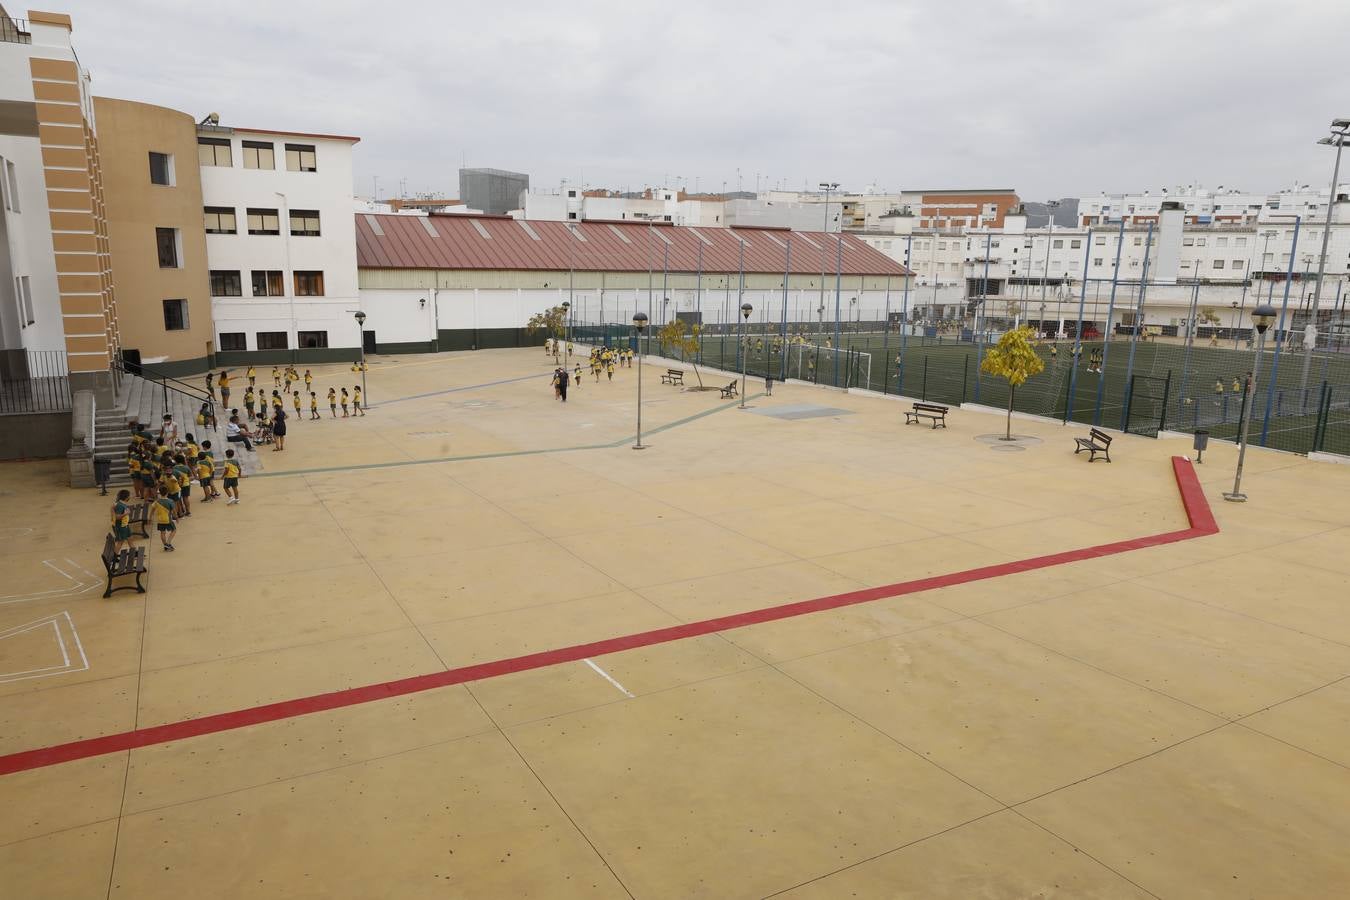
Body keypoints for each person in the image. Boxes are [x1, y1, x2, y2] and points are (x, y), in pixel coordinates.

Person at [151, 486, 177, 551]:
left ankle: (165, 545)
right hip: (168, 519)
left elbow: (152, 509)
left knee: (162, 533)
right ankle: (168, 544)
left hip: (160, 520)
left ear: (160, 493)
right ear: (167, 493)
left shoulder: (157, 501)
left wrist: (149, 517)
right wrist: (176, 517)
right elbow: (174, 511)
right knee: (174, 530)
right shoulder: (170, 501)